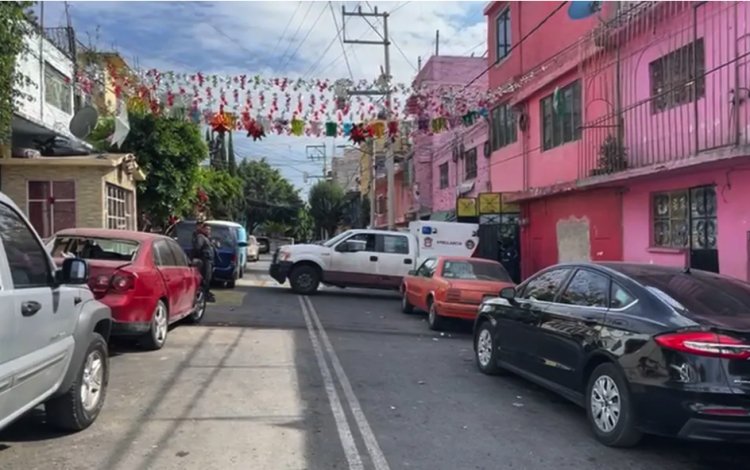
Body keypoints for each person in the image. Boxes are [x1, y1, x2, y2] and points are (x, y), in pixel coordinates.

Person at [192, 221, 216, 303]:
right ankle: (203, 295)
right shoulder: (200, 237)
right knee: (205, 279)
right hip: (205, 261)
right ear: (202, 229)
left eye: (209, 229)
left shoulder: (207, 238)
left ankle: (206, 294)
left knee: (208, 279)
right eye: (206, 229)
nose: (208, 231)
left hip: (209, 261)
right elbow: (197, 248)